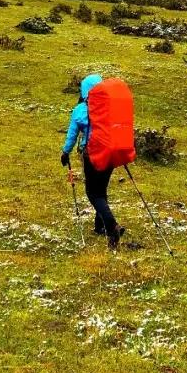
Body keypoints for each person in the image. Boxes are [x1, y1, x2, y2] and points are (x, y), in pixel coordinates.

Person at [60, 74, 126, 248]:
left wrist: (65, 152)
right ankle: (100, 226)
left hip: (92, 155)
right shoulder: (110, 106)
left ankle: (111, 226)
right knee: (101, 189)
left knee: (93, 193)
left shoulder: (81, 110)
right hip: (111, 153)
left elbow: (72, 135)